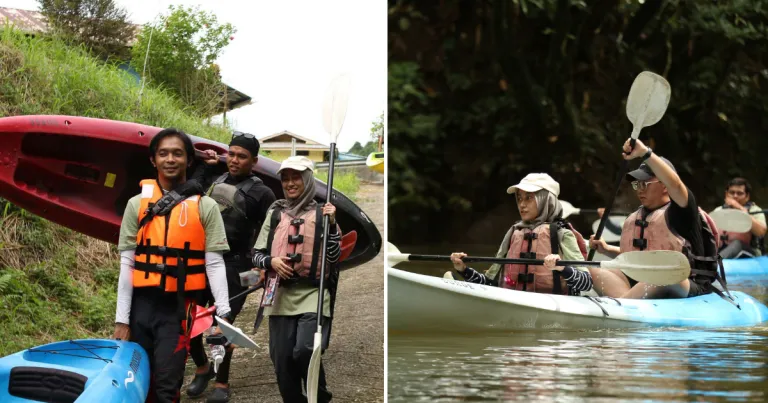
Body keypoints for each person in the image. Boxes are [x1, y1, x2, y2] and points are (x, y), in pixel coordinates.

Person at [112, 128, 233, 403]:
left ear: (189, 160)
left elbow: (214, 265)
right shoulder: (136, 205)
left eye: (177, 153)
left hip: (180, 308)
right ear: (153, 160)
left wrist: (223, 316)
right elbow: (127, 264)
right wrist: (122, 320)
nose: (170, 159)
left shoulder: (207, 207)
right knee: (139, 384)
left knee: (167, 386)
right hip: (141, 307)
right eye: (163, 153)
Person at [181, 132, 277, 402]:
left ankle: (222, 383)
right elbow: (190, 190)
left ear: (254, 161)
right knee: (190, 320)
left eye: (242, 156)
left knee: (221, 326)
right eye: (231, 154)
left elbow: (270, 231)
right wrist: (204, 165)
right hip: (202, 261)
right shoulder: (215, 179)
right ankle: (202, 369)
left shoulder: (263, 193)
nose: (234, 160)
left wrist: (261, 267)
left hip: (236, 266)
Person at [250, 156, 342, 403]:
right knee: (281, 361)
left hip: (313, 293)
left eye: (296, 178)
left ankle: (320, 397)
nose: (290, 183)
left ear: (308, 180)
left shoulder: (324, 214)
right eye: (286, 178)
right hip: (279, 295)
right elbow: (257, 255)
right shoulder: (275, 213)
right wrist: (272, 262)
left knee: (306, 350)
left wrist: (332, 226)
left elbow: (333, 258)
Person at [588, 139, 722, 299]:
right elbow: (641, 256)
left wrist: (645, 153)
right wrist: (607, 249)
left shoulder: (682, 211)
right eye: (637, 184)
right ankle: (625, 304)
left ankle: (624, 304)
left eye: (645, 184)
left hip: (684, 283)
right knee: (592, 270)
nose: (639, 190)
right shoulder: (639, 214)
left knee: (661, 274)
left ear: (664, 185)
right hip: (643, 281)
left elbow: (677, 185)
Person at [449, 173, 593, 296]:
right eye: (519, 198)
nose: (521, 204)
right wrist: (463, 269)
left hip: (554, 303)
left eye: (529, 198)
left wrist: (562, 267)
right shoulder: (514, 232)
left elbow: (586, 283)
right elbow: (490, 283)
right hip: (515, 298)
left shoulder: (562, 234)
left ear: (545, 200)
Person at [710, 177, 766, 259]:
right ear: (726, 194)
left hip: (748, 251)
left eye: (739, 193)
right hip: (722, 249)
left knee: (737, 243)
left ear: (747, 196)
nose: (735, 196)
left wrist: (739, 208)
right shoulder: (718, 211)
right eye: (732, 192)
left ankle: (715, 263)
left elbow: (761, 232)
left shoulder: (755, 210)